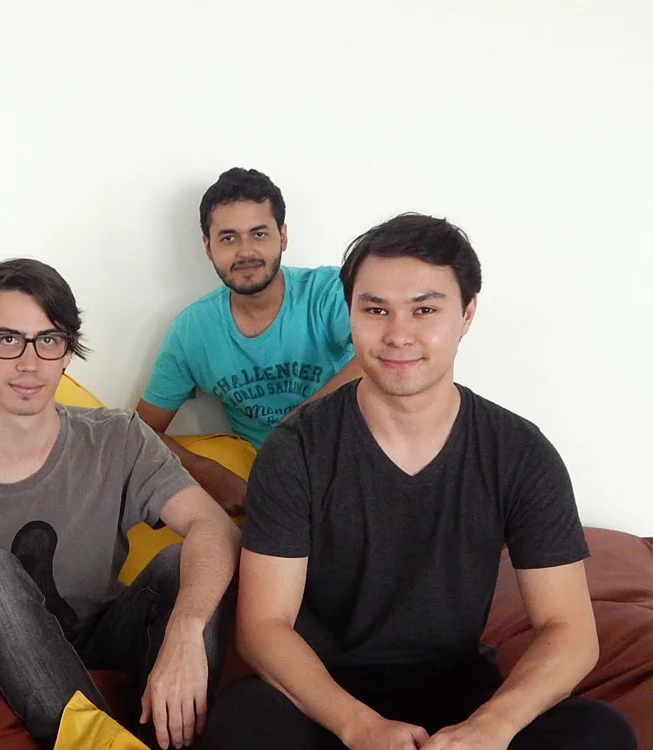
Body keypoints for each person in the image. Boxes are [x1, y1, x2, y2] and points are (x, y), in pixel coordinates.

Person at [203, 213, 636, 750]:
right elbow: (265, 626)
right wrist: (359, 726)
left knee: (600, 733)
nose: (398, 334)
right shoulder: (296, 449)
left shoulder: (520, 452)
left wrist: (491, 728)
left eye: (425, 309)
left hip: (461, 699)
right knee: (242, 728)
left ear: (467, 313)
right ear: (351, 314)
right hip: (324, 700)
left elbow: (570, 632)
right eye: (375, 310)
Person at [0, 258, 240, 750]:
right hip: (3, 650)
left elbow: (215, 526)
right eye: (8, 339)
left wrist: (186, 630)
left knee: (185, 563)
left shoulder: (118, 437)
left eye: (48, 340)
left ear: (67, 352)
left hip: (104, 636)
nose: (29, 363)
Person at [136, 167, 361, 515]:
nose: (245, 252)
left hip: (353, 465)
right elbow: (142, 430)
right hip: (275, 491)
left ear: (282, 237)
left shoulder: (328, 293)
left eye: (259, 234)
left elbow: (383, 354)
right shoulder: (192, 330)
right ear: (207, 248)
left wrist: (297, 423)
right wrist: (205, 471)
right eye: (228, 238)